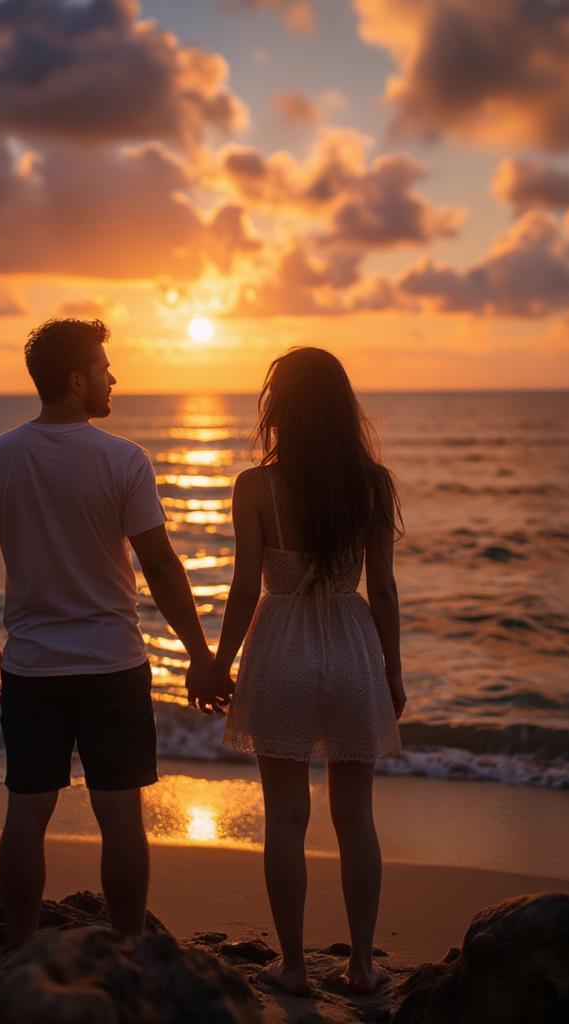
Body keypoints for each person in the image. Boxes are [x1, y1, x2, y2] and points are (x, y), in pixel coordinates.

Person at [0, 318, 225, 948]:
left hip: (32, 666)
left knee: (26, 812)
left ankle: (21, 952)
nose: (114, 378)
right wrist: (200, 654)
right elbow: (160, 565)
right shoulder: (123, 459)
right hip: (112, 665)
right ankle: (128, 949)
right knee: (120, 815)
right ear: (77, 381)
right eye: (105, 368)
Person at [209, 347, 406, 996]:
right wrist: (393, 672)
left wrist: (218, 661)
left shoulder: (256, 486)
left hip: (281, 648)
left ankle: (292, 965)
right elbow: (383, 591)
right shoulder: (372, 484)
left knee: (285, 817)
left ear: (280, 407)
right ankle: (362, 965)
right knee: (356, 819)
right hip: (351, 647)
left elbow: (242, 589)